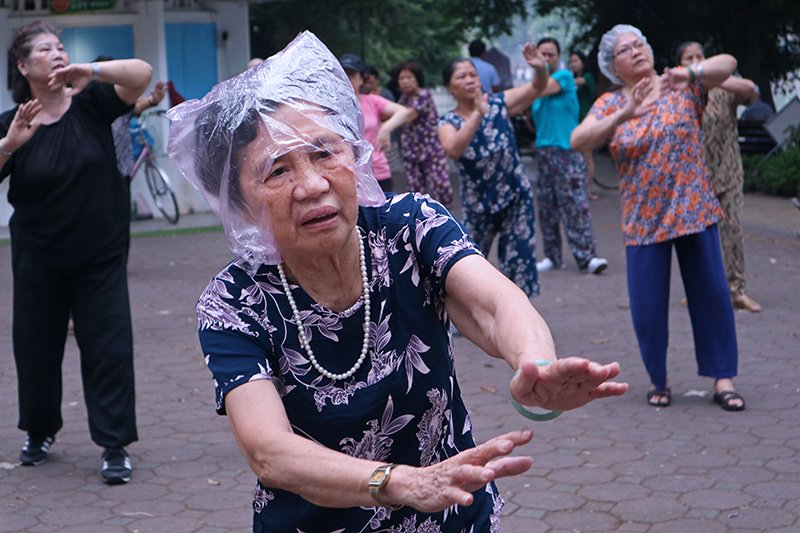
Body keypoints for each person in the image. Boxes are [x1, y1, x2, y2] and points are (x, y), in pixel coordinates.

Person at [166, 31, 627, 532]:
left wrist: (536, 366)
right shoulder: (234, 302)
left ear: (354, 152)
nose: (314, 184)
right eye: (277, 171)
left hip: (453, 511)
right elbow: (269, 451)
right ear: (239, 205)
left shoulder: (409, 226)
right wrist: (401, 483)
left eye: (325, 153)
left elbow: (490, 304)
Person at [0, 21, 152, 482]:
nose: (57, 53)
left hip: (99, 257)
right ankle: (39, 431)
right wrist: (9, 146)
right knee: (36, 350)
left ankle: (113, 444)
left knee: (108, 349)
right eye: (46, 48)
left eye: (61, 47)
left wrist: (89, 68)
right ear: (23, 65)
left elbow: (142, 74)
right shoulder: (13, 122)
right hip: (37, 259)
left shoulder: (92, 105)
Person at [571, 24, 746, 411]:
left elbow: (729, 63)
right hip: (644, 219)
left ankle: (723, 379)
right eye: (625, 50)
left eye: (640, 44)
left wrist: (691, 72)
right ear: (613, 65)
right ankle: (659, 380)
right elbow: (578, 140)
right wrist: (624, 115)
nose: (635, 52)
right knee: (648, 309)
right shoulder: (609, 103)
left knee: (714, 298)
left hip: (694, 210)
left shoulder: (681, 85)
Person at [438, 45, 548, 297]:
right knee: (469, 263)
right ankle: (465, 317)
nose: (469, 80)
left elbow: (536, 88)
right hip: (478, 204)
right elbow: (453, 149)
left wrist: (541, 69)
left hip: (515, 197)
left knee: (518, 262)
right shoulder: (447, 122)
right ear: (449, 88)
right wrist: (477, 114)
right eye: (461, 76)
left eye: (472, 75)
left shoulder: (499, 103)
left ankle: (519, 320)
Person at [677, 41, 762, 313]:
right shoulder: (679, 93)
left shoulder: (724, 87)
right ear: (680, 65)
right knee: (697, 239)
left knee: (732, 230)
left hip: (728, 172)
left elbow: (751, 92)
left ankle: (737, 290)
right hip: (694, 179)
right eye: (688, 58)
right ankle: (701, 291)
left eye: (699, 56)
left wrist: (713, 77)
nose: (695, 60)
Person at [531, 37, 608, 275]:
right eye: (542, 54)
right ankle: (553, 256)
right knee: (547, 209)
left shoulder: (562, 77)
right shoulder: (535, 87)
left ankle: (588, 257)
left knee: (575, 206)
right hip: (544, 153)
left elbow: (541, 88)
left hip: (568, 152)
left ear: (558, 56)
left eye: (550, 54)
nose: (546, 58)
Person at [339, 53, 417, 193]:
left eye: (351, 74)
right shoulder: (332, 107)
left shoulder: (371, 101)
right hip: (346, 173)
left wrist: (386, 128)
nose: (346, 79)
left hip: (378, 171)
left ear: (362, 78)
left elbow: (404, 112)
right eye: (342, 73)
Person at [392, 61, 453, 207]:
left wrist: (386, 128)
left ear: (417, 79)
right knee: (415, 192)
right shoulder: (402, 100)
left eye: (409, 77)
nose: (405, 81)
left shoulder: (423, 95)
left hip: (431, 149)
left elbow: (409, 115)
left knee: (441, 187)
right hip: (411, 152)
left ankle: (446, 220)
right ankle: (420, 224)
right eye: (402, 78)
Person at [569, 50, 598, 200]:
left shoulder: (586, 77)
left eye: (575, 61)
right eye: (571, 61)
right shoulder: (574, 78)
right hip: (575, 121)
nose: (573, 64)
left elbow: (574, 83)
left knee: (587, 156)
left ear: (582, 63)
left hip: (588, 121)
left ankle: (589, 189)